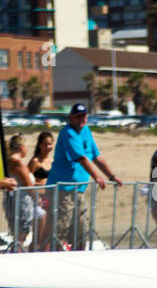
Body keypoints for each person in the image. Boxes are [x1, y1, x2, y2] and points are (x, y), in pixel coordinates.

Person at [46, 103, 122, 245]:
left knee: (81, 230)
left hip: (79, 190)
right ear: (70, 117)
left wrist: (112, 176)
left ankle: (77, 254)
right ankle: (53, 257)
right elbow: (81, 158)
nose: (81, 119)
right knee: (60, 228)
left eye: (83, 116)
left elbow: (96, 157)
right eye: (77, 116)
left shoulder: (86, 131)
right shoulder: (68, 132)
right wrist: (97, 177)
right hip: (62, 189)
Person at [4, 134, 46, 249]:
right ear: (21, 146)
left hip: (14, 200)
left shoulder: (9, 162)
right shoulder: (18, 163)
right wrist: (38, 198)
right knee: (22, 234)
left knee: (20, 234)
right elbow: (28, 185)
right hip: (22, 202)